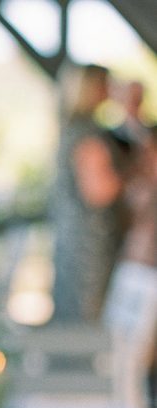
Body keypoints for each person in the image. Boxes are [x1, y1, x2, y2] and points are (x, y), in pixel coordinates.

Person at [52, 64, 127, 322]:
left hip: (75, 236)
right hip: (91, 241)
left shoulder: (72, 128)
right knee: (89, 314)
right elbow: (99, 191)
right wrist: (134, 177)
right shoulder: (87, 133)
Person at [104, 124, 157, 408]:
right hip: (131, 267)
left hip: (150, 275)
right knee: (117, 343)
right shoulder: (140, 181)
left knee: (139, 350)